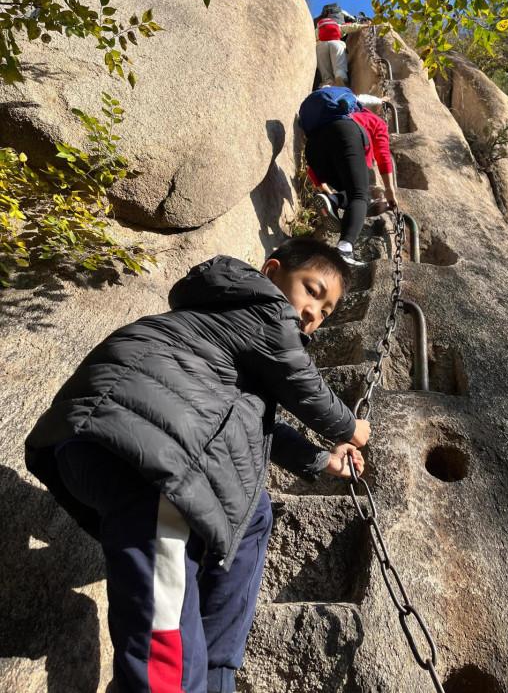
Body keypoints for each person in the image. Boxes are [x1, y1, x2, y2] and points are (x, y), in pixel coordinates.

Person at [24, 238, 371, 693]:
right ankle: (196, 677)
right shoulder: (261, 306)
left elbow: (255, 427)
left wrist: (322, 460)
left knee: (255, 513)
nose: (312, 314)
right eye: (312, 290)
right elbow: (302, 382)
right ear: (271, 271)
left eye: (325, 312)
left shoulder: (226, 345)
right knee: (165, 650)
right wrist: (350, 427)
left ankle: (215, 671)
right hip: (146, 453)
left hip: (133, 442)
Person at [304, 91, 398, 266]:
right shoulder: (375, 121)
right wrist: (389, 189)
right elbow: (383, 155)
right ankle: (344, 249)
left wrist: (324, 189)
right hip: (345, 135)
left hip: (313, 146)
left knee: (353, 193)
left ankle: (334, 200)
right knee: (359, 196)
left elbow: (313, 169)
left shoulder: (336, 115)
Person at [314, 4, 369, 87]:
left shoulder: (318, 28)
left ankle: (327, 83)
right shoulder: (338, 25)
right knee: (339, 68)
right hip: (336, 43)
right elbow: (351, 26)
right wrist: (365, 25)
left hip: (321, 46)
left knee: (326, 74)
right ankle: (341, 80)